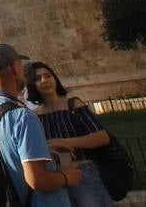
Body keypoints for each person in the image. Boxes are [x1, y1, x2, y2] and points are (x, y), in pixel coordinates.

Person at [0, 43, 80, 207]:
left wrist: (43, 148)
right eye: (21, 66)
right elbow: (37, 179)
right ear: (14, 68)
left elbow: (7, 151)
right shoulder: (23, 116)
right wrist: (67, 176)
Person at [27, 61, 114, 207]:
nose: (44, 81)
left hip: (82, 173)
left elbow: (102, 137)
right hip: (57, 176)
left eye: (48, 76)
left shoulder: (74, 105)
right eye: (38, 78)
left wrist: (66, 142)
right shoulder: (34, 116)